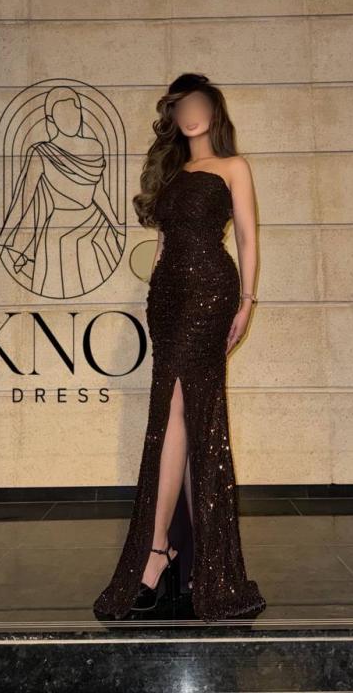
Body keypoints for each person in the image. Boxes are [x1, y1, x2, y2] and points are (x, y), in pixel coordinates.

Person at [93, 73, 266, 622]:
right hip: (167, 298)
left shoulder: (233, 167)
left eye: (198, 104)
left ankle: (157, 551)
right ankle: (193, 562)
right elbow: (164, 244)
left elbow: (247, 237)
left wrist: (246, 302)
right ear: (173, 115)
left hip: (211, 291)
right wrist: (155, 296)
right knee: (183, 419)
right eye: (180, 106)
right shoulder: (170, 173)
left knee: (179, 414)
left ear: (213, 112)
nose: (189, 113)